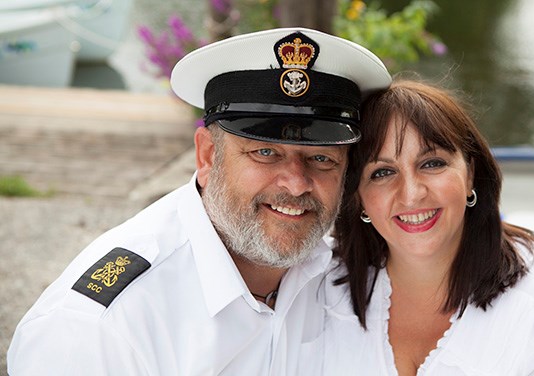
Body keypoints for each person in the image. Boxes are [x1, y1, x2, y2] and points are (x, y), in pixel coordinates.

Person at [7, 27, 391, 375]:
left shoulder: (339, 273)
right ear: (208, 157)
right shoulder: (99, 330)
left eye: (321, 158)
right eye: (265, 153)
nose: (295, 184)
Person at [321, 78, 534, 375]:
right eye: (382, 173)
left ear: (470, 174)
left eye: (432, 163)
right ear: (358, 198)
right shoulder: (322, 283)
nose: (411, 194)